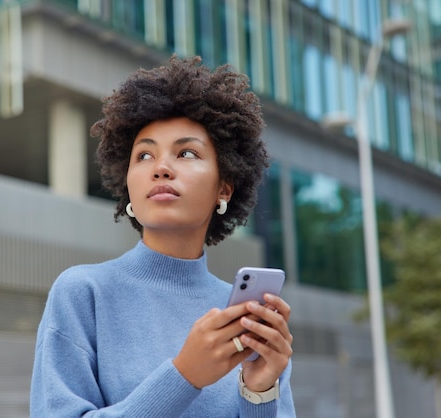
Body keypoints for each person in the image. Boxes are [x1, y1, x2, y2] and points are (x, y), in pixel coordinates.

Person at [30, 55, 296, 417]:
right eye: (143, 155)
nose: (161, 168)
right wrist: (184, 375)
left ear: (225, 188)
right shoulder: (83, 293)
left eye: (186, 152)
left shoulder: (244, 316)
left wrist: (260, 393)